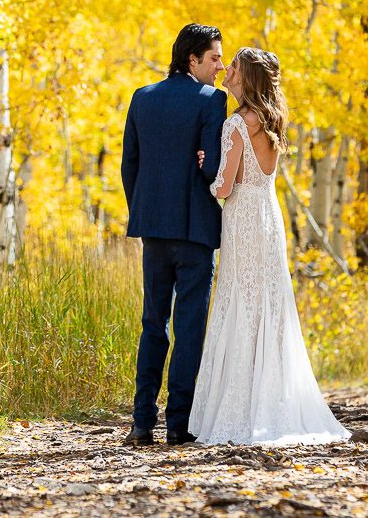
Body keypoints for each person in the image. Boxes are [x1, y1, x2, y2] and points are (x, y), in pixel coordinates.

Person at [188, 47, 350, 446]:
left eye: (234, 66)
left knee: (241, 302)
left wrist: (204, 171)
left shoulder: (235, 125)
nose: (226, 70)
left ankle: (240, 410)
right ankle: (273, 402)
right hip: (269, 218)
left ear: (246, 78)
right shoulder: (272, 119)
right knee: (268, 307)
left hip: (243, 218)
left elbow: (225, 187)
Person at [120, 24, 227, 447]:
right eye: (214, 58)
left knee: (153, 323)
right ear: (192, 60)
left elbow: (130, 164)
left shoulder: (142, 97)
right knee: (189, 326)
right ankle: (178, 426)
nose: (220, 66)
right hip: (196, 229)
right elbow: (210, 169)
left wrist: (145, 210)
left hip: (153, 228)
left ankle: (141, 422)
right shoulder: (212, 100)